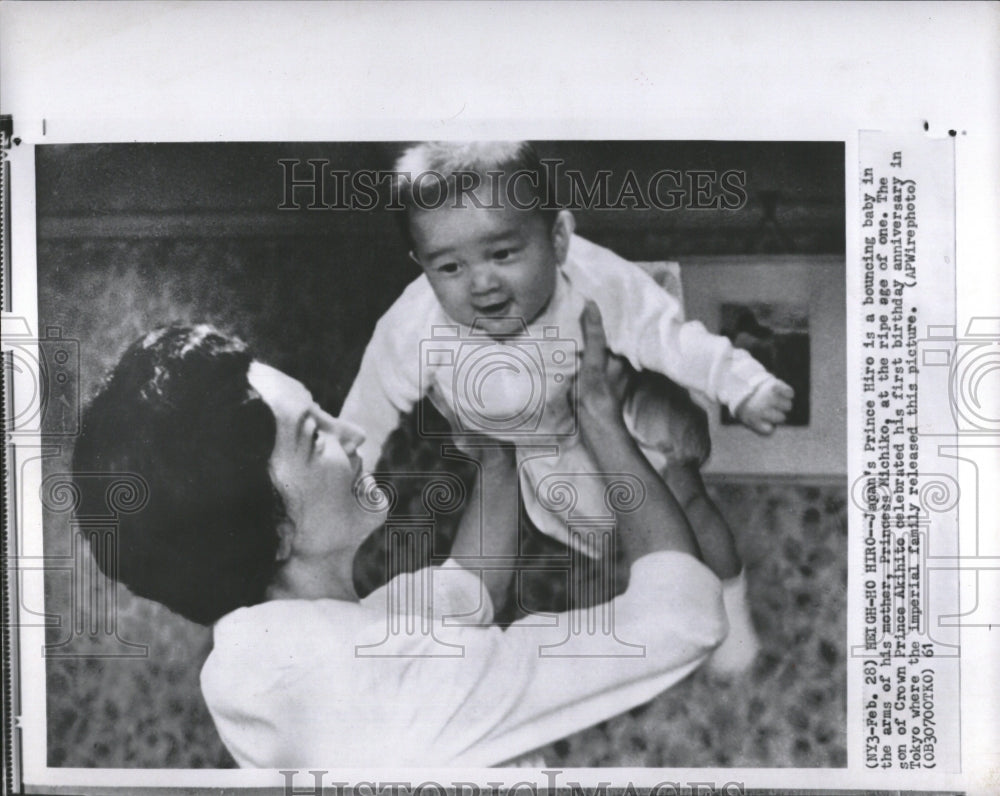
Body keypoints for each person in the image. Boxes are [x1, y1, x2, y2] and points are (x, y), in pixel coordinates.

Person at [71, 309, 727, 768]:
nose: (350, 435)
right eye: (315, 437)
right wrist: (602, 420)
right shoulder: (351, 676)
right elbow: (682, 618)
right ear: (269, 532)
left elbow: (464, 592)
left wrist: (495, 460)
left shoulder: (282, 647)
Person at [341, 141, 794, 672]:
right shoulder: (412, 324)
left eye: (503, 254)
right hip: (540, 456)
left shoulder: (596, 277)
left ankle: (731, 603)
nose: (481, 282)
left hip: (630, 422)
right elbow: (366, 409)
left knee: (686, 511)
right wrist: (356, 478)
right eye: (449, 267)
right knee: (590, 558)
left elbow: (670, 336)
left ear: (558, 238)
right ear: (421, 264)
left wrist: (743, 384)